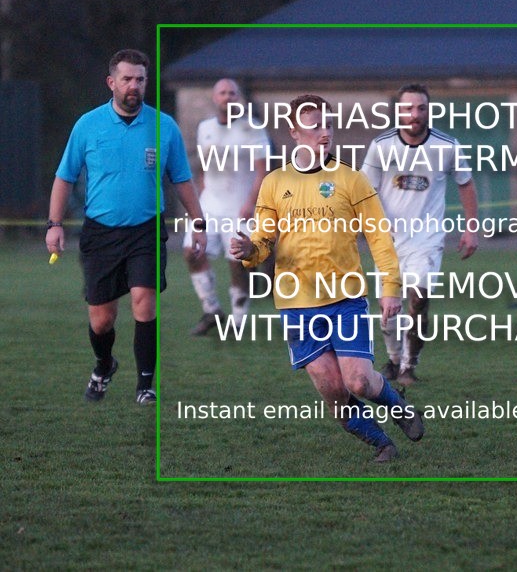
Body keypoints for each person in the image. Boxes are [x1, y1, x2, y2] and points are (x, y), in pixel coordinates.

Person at [230, 94, 424, 463]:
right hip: (296, 304)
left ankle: (398, 406)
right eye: (315, 126)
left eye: (328, 125)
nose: (324, 133)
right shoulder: (275, 183)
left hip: (345, 300)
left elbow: (380, 236)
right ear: (294, 133)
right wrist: (248, 251)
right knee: (334, 392)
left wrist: (390, 289)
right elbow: (264, 240)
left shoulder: (351, 180)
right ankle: (382, 444)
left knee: (358, 382)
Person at [45, 49, 206, 405]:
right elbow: (64, 177)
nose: (134, 86)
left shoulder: (165, 126)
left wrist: (199, 223)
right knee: (102, 320)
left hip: (146, 230)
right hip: (101, 232)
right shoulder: (87, 125)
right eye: (127, 79)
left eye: (141, 80)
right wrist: (55, 225)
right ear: (111, 82)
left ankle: (146, 385)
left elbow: (182, 179)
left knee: (143, 302)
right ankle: (104, 365)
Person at [361, 83, 479, 386]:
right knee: (389, 306)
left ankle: (410, 365)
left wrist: (471, 227)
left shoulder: (447, 146)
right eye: (408, 108)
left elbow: (465, 183)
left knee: (419, 296)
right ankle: (394, 358)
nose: (415, 114)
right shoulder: (381, 146)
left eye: (421, 108)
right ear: (399, 111)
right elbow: (364, 191)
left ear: (428, 110)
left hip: (427, 238)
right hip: (387, 240)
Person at [184, 78, 271, 335]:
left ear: (238, 98)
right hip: (209, 204)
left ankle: (239, 319)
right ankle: (212, 311)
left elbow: (263, 172)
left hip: (240, 206)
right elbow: (203, 167)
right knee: (192, 252)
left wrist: (251, 204)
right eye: (222, 93)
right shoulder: (205, 128)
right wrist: (199, 201)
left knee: (238, 263)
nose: (227, 97)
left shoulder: (252, 128)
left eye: (232, 93)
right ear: (215, 98)